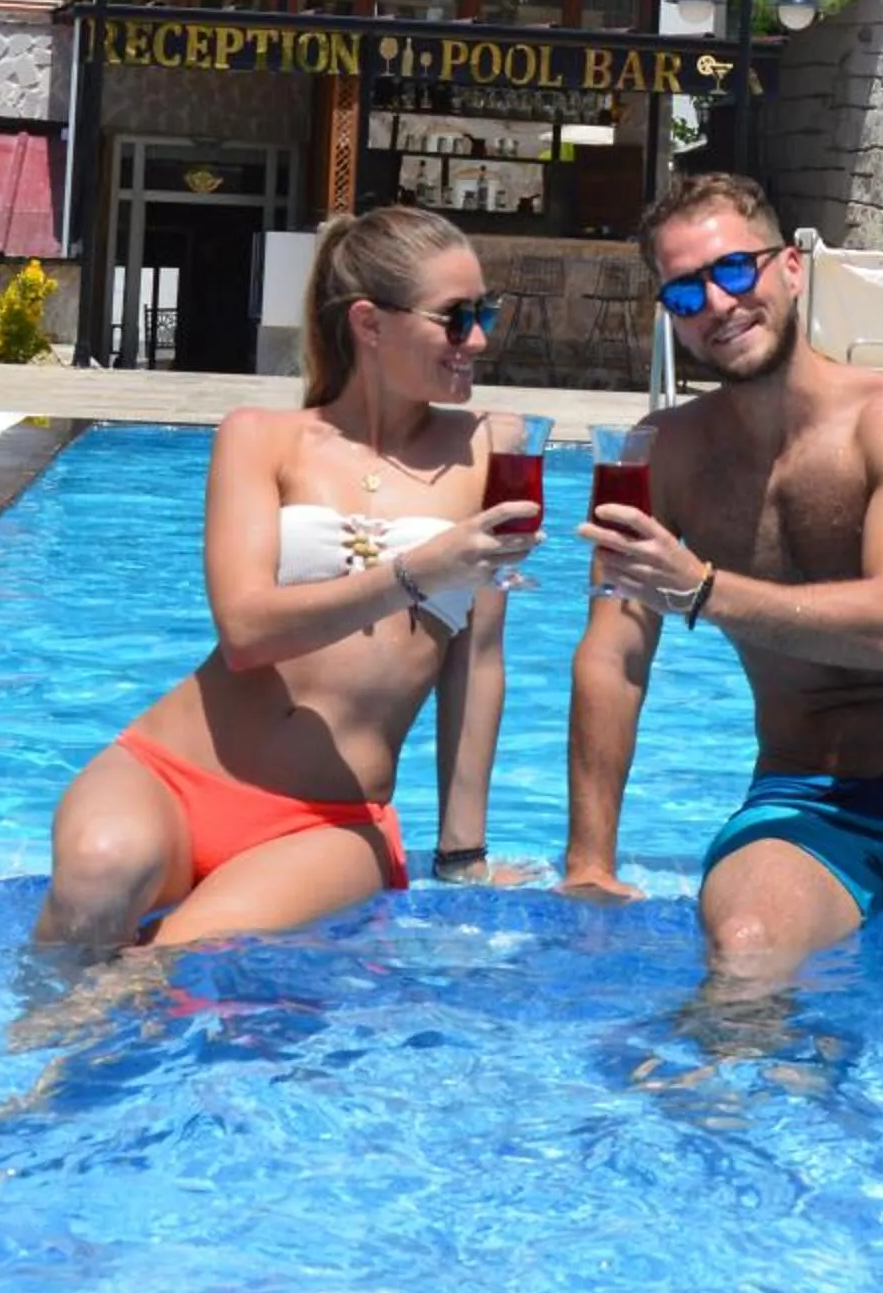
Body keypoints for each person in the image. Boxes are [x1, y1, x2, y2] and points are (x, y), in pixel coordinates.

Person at [562, 171, 883, 996]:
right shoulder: (663, 453)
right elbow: (613, 655)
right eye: (686, 292)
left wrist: (702, 589)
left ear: (792, 269)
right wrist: (590, 863)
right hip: (799, 800)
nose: (719, 304)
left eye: (736, 270)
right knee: (744, 953)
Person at [35, 206, 537, 952]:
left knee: (175, 962)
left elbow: (477, 661)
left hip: (331, 821)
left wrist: (462, 855)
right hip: (174, 772)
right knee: (91, 892)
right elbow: (245, 632)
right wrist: (416, 571)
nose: (479, 340)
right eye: (457, 319)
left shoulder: (493, 449)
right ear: (370, 324)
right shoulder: (259, 438)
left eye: (485, 313)